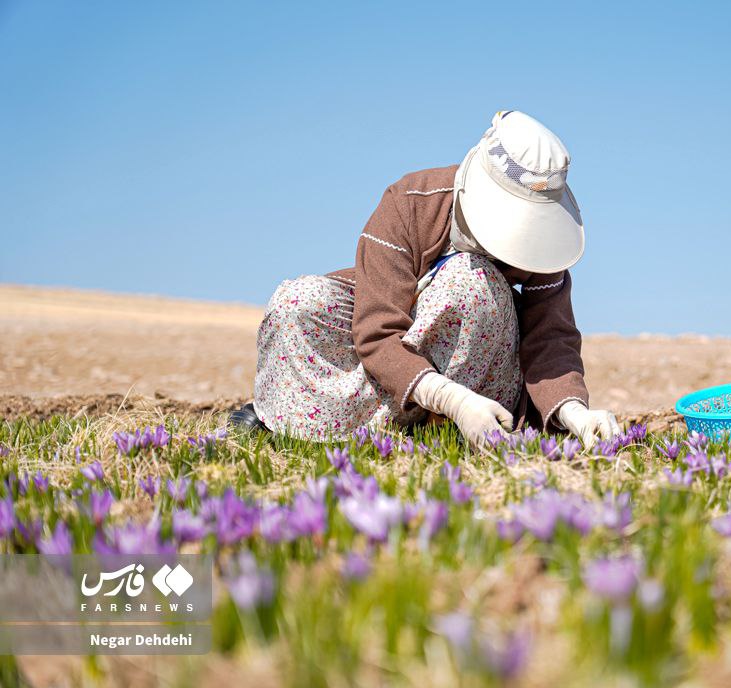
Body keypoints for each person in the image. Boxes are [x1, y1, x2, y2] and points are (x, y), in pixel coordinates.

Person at [230, 110, 622, 448]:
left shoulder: (542, 244)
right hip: (408, 362)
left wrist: (573, 412)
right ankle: (311, 422)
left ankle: (441, 429)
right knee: (299, 300)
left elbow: (551, 336)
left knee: (470, 281)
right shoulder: (410, 201)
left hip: (486, 381)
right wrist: (450, 398)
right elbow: (377, 329)